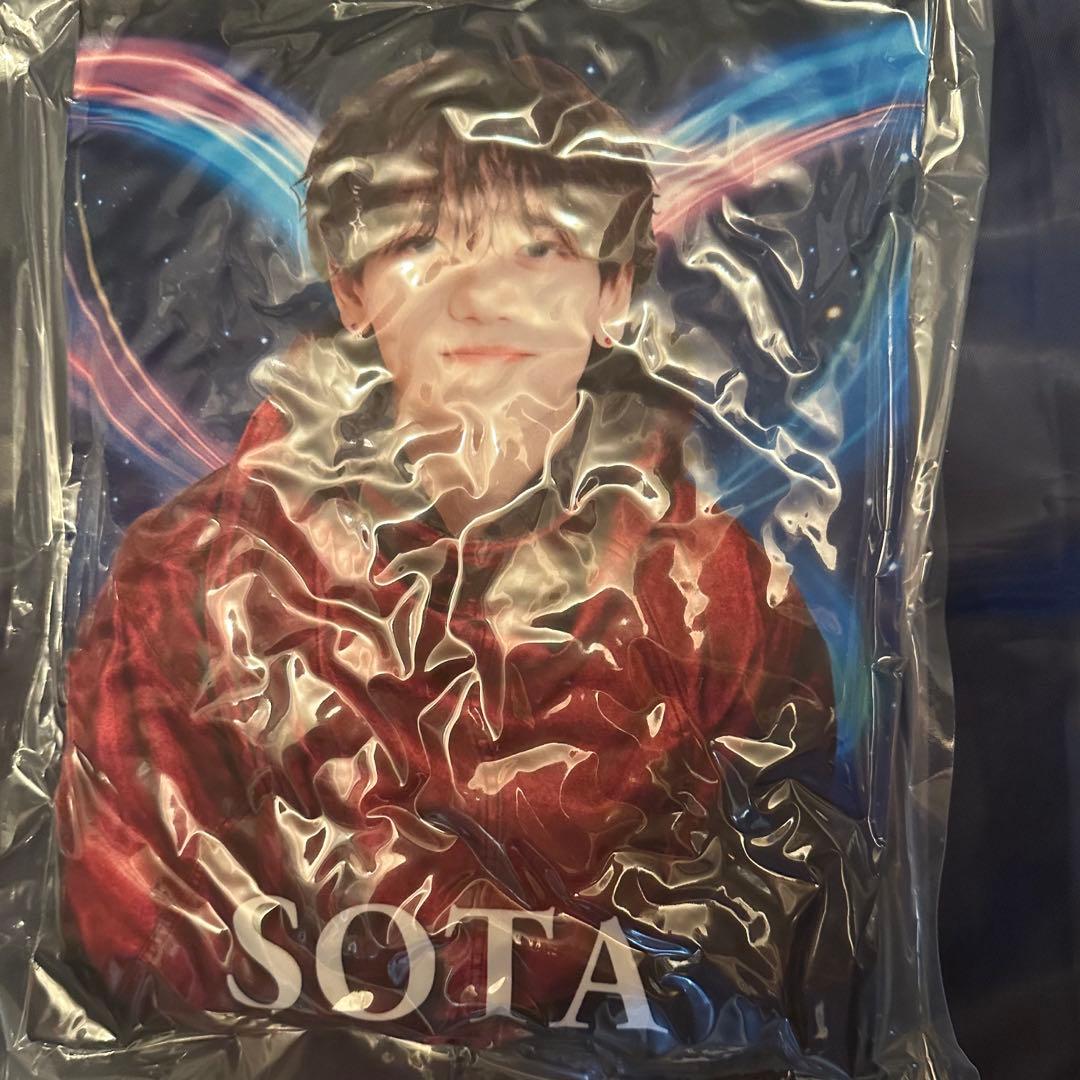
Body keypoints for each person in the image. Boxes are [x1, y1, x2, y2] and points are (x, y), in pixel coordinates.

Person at [56, 49, 854, 1050]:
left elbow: (781, 921)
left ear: (613, 292)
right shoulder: (188, 578)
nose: (482, 297)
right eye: (422, 242)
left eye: (541, 248)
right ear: (351, 289)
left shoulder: (718, 591)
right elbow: (142, 927)